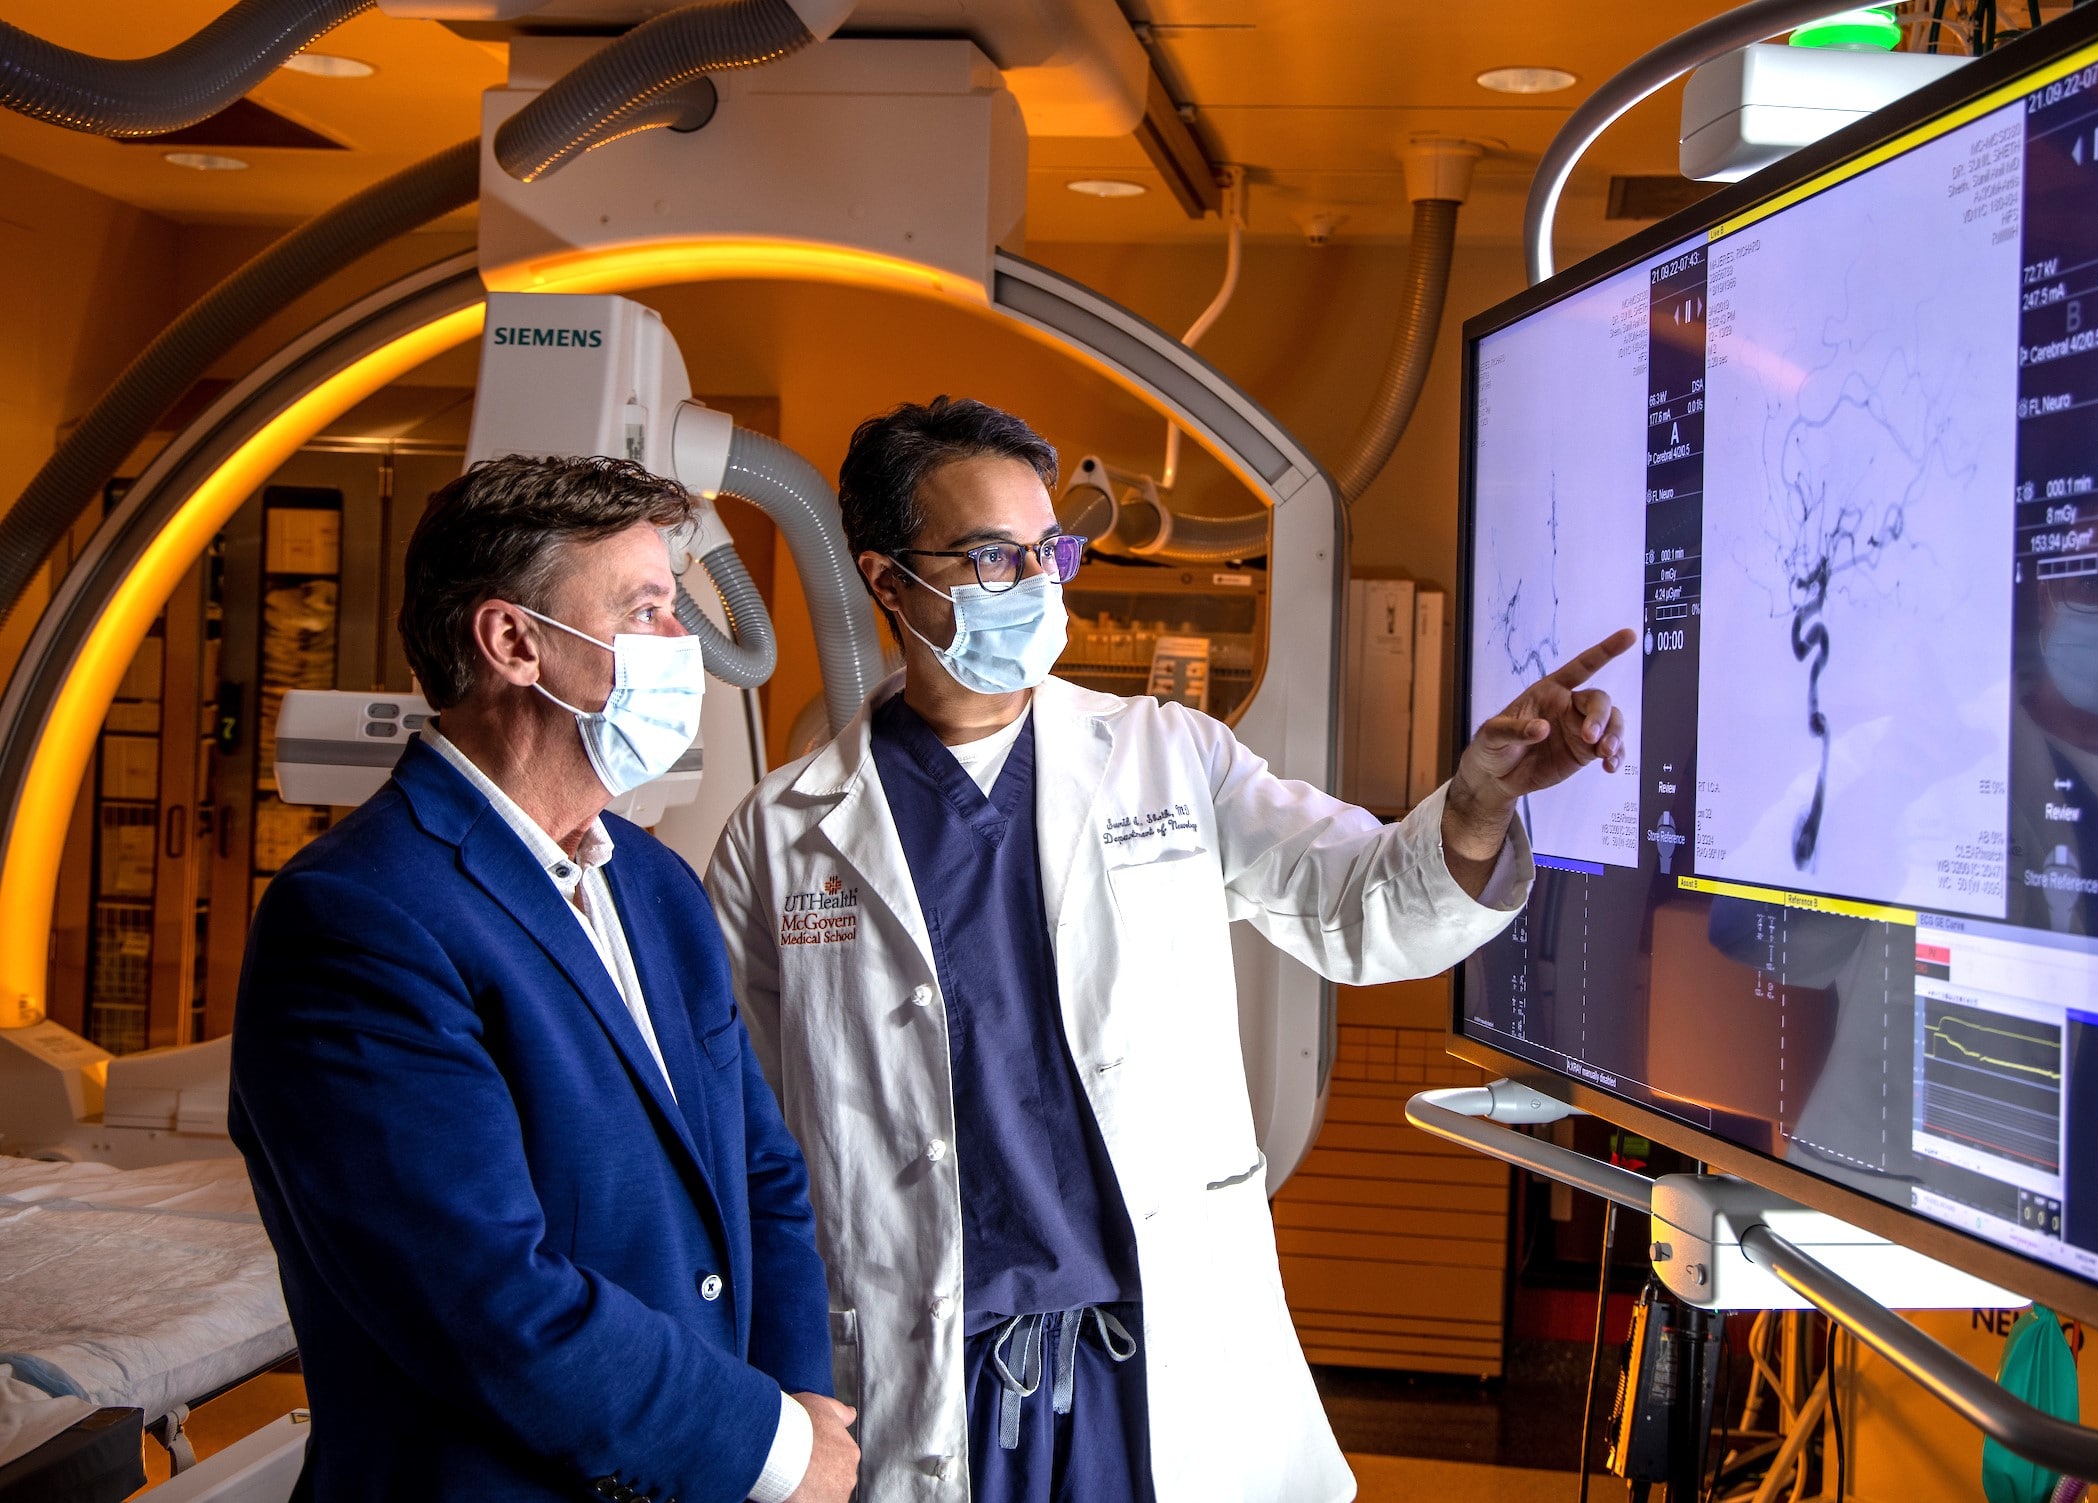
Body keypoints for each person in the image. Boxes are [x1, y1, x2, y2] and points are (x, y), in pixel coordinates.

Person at [705, 398, 1631, 1503]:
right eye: (994, 557)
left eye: (1048, 551)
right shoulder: (781, 834)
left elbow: (1362, 907)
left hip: (1148, 1369)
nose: (1037, 585)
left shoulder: (1165, 758)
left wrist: (1477, 803)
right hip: (917, 1373)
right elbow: (742, 1130)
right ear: (888, 580)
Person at [229, 455, 858, 1503]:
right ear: (515, 642)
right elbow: (483, 1298)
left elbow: (759, 1174)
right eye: (649, 609)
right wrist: (769, 1448)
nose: (683, 648)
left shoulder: (652, 883)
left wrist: (795, 1411)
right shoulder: (359, 920)